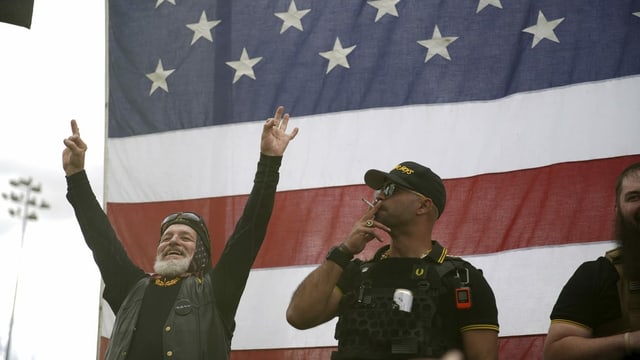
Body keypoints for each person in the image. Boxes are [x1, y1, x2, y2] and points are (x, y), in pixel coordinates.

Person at [62, 106, 298, 360]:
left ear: (202, 252)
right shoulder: (130, 288)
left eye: (185, 237)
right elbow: (101, 239)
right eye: (166, 237)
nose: (173, 240)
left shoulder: (216, 292)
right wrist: (76, 176)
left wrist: (269, 163)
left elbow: (250, 230)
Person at [286, 161, 499, 360]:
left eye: (390, 190)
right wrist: (344, 251)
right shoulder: (356, 274)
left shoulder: (461, 280)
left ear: (423, 206)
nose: (379, 198)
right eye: (379, 191)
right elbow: (299, 316)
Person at [544, 162, 640, 359]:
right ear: (617, 210)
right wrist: (629, 341)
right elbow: (555, 351)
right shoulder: (596, 274)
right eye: (634, 197)